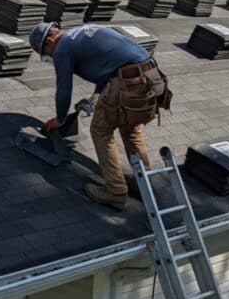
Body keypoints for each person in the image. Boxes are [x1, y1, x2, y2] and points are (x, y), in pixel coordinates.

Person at [29, 21, 171, 210]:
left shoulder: (62, 47)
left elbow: (64, 89)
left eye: (46, 53)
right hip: (151, 77)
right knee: (130, 129)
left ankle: (116, 192)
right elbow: (108, 70)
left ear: (50, 39)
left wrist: (60, 119)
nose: (50, 57)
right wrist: (94, 100)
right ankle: (142, 181)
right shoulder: (82, 32)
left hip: (128, 80)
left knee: (100, 130)